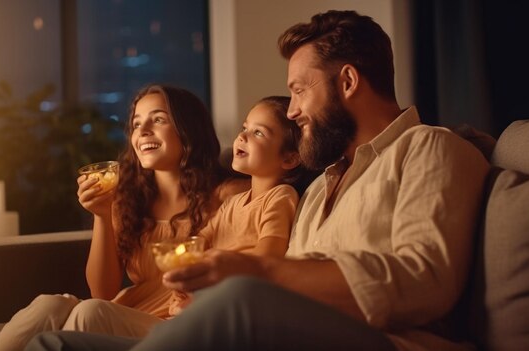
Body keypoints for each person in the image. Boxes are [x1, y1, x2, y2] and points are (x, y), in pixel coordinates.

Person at [27, 10, 490, 351]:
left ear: (347, 81)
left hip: (382, 341)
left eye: (298, 90)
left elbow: (425, 280)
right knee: (56, 343)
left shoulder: (429, 148)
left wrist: (257, 273)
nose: (291, 110)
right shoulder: (323, 185)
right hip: (283, 332)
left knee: (241, 299)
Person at [0, 84, 248, 351]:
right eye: (136, 124)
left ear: (189, 128)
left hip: (179, 325)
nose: (143, 131)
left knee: (91, 312)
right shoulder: (130, 199)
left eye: (158, 119)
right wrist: (102, 214)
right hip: (125, 314)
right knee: (52, 304)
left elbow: (249, 264)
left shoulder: (229, 196)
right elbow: (103, 292)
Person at [168, 95, 307, 315]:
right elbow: (197, 243)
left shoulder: (280, 197)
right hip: (209, 295)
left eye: (258, 132)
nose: (242, 136)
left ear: (289, 159)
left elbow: (268, 258)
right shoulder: (232, 203)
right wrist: (184, 272)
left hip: (237, 299)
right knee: (96, 311)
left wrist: (207, 291)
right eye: (244, 128)